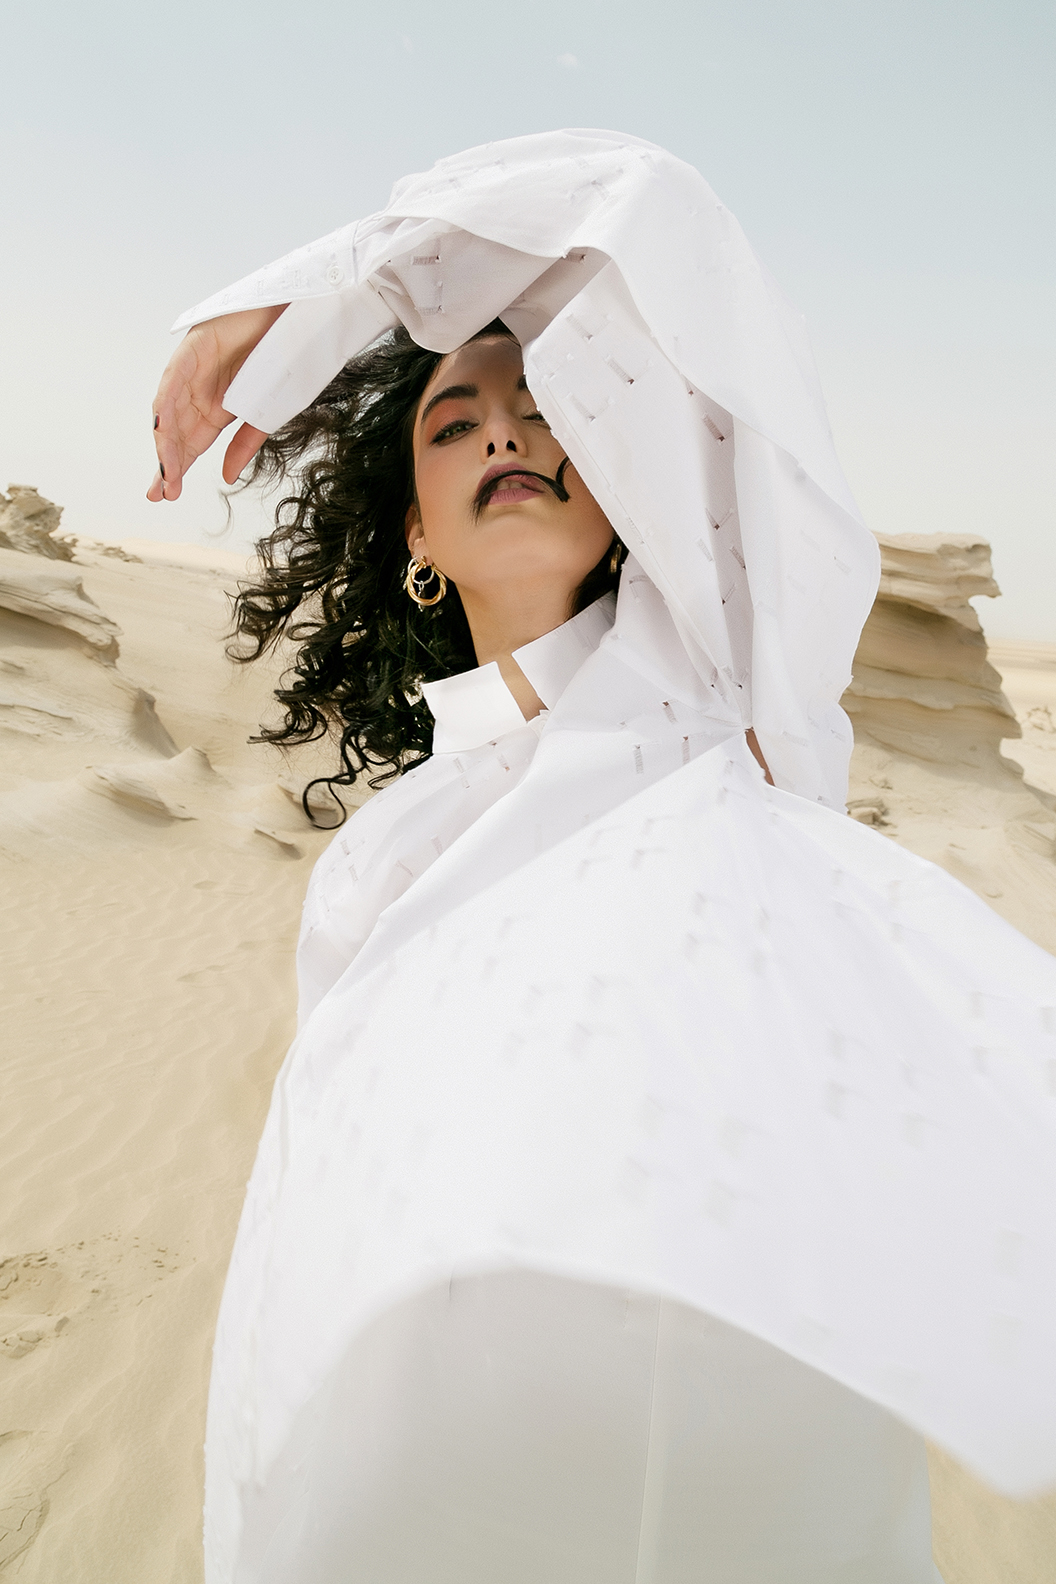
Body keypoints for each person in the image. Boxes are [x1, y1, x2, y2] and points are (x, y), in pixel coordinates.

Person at [150, 131, 1056, 1584]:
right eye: (453, 424)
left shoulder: (728, 703)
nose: (502, 434)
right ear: (416, 534)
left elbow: (642, 207)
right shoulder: (378, 862)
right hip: (438, 1493)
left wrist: (315, 302)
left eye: (544, 408)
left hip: (742, 1488)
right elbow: (309, 1232)